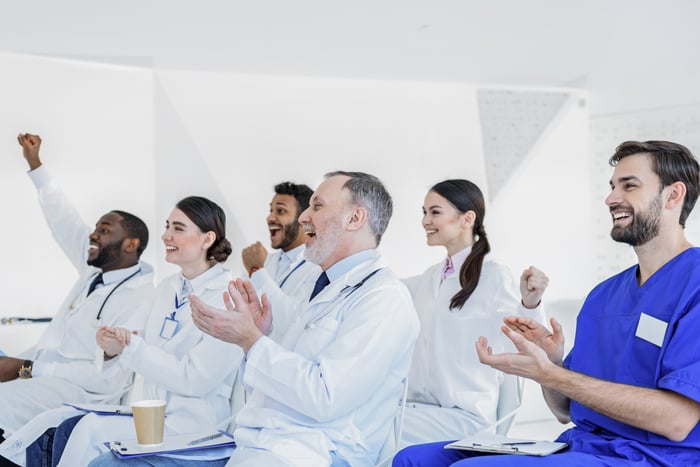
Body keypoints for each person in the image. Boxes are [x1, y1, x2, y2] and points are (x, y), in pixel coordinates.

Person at [393, 140, 700, 467]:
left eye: (630, 186)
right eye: (612, 187)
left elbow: (677, 421)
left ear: (673, 195)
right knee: (415, 459)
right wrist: (549, 364)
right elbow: (562, 410)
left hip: (653, 458)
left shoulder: (692, 285)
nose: (611, 198)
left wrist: (554, 375)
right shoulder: (603, 295)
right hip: (582, 446)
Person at [89, 171, 421, 467]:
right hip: (262, 442)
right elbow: (285, 373)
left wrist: (251, 340)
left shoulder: (383, 299)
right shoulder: (323, 289)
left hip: (319, 453)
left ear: (355, 218)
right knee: (106, 461)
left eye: (317, 206)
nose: (304, 216)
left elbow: (325, 398)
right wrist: (259, 337)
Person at [41, 196, 244, 466]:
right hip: (151, 420)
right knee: (81, 427)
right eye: (167, 226)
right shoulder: (166, 288)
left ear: (207, 239)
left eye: (178, 228)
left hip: (194, 429)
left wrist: (130, 349)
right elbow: (128, 337)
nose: (165, 235)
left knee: (91, 440)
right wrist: (110, 345)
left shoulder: (230, 297)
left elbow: (194, 379)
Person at [0, 134, 154, 459]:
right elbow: (64, 220)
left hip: (83, 392)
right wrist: (35, 164)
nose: (93, 234)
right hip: (43, 368)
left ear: (131, 244)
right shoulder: (95, 271)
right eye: (96, 227)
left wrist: (26, 368)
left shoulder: (139, 299)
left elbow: (106, 379)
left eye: (105, 230)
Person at [400, 179, 547, 446]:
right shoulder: (429, 279)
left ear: (467, 218)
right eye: (424, 212)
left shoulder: (494, 277)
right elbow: (388, 292)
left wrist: (530, 302)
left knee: (369, 432)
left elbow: (527, 338)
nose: (425, 221)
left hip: (465, 416)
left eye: (435, 212)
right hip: (421, 409)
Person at [241, 181, 320, 339]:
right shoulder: (263, 260)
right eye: (271, 210)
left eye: (281, 211)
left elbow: (292, 323)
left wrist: (257, 271)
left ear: (304, 218)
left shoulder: (318, 267)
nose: (270, 217)